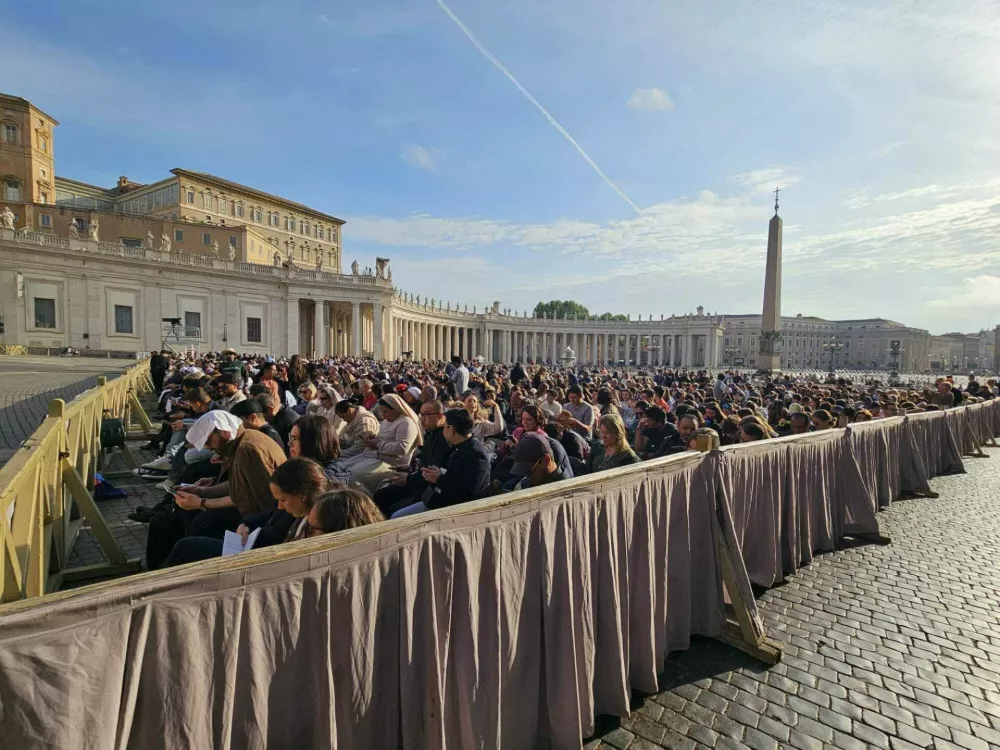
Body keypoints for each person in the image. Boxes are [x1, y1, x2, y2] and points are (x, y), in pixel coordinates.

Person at [165, 456, 330, 566]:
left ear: (302, 495)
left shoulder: (317, 520)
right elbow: (269, 514)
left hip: (259, 561)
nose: (280, 505)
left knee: (187, 544)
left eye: (283, 500)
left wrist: (203, 502)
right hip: (249, 547)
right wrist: (246, 524)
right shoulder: (295, 504)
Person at [391, 409, 491, 517]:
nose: (443, 430)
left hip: (452, 510)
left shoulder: (476, 455)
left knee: (396, 517)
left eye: (445, 426)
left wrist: (439, 478)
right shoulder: (458, 446)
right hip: (436, 498)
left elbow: (468, 493)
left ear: (451, 429)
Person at [373, 399, 453, 516]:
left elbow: (432, 470)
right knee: (381, 494)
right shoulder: (431, 434)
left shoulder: (443, 439)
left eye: (427, 414)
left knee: (392, 508)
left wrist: (408, 479)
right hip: (417, 480)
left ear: (440, 416)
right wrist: (411, 467)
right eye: (421, 414)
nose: (422, 419)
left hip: (426, 490)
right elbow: (424, 460)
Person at [345, 393, 423, 494]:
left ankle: (365, 504)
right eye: (381, 412)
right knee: (342, 468)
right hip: (374, 457)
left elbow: (402, 448)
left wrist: (377, 445)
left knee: (352, 475)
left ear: (395, 408)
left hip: (392, 464)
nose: (383, 415)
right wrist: (372, 438)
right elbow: (382, 438)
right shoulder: (386, 421)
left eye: (385, 411)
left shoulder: (406, 423)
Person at [289, 415, 351, 485]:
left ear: (312, 442)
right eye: (290, 438)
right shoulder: (308, 469)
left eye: (295, 439)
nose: (289, 443)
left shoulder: (319, 482)